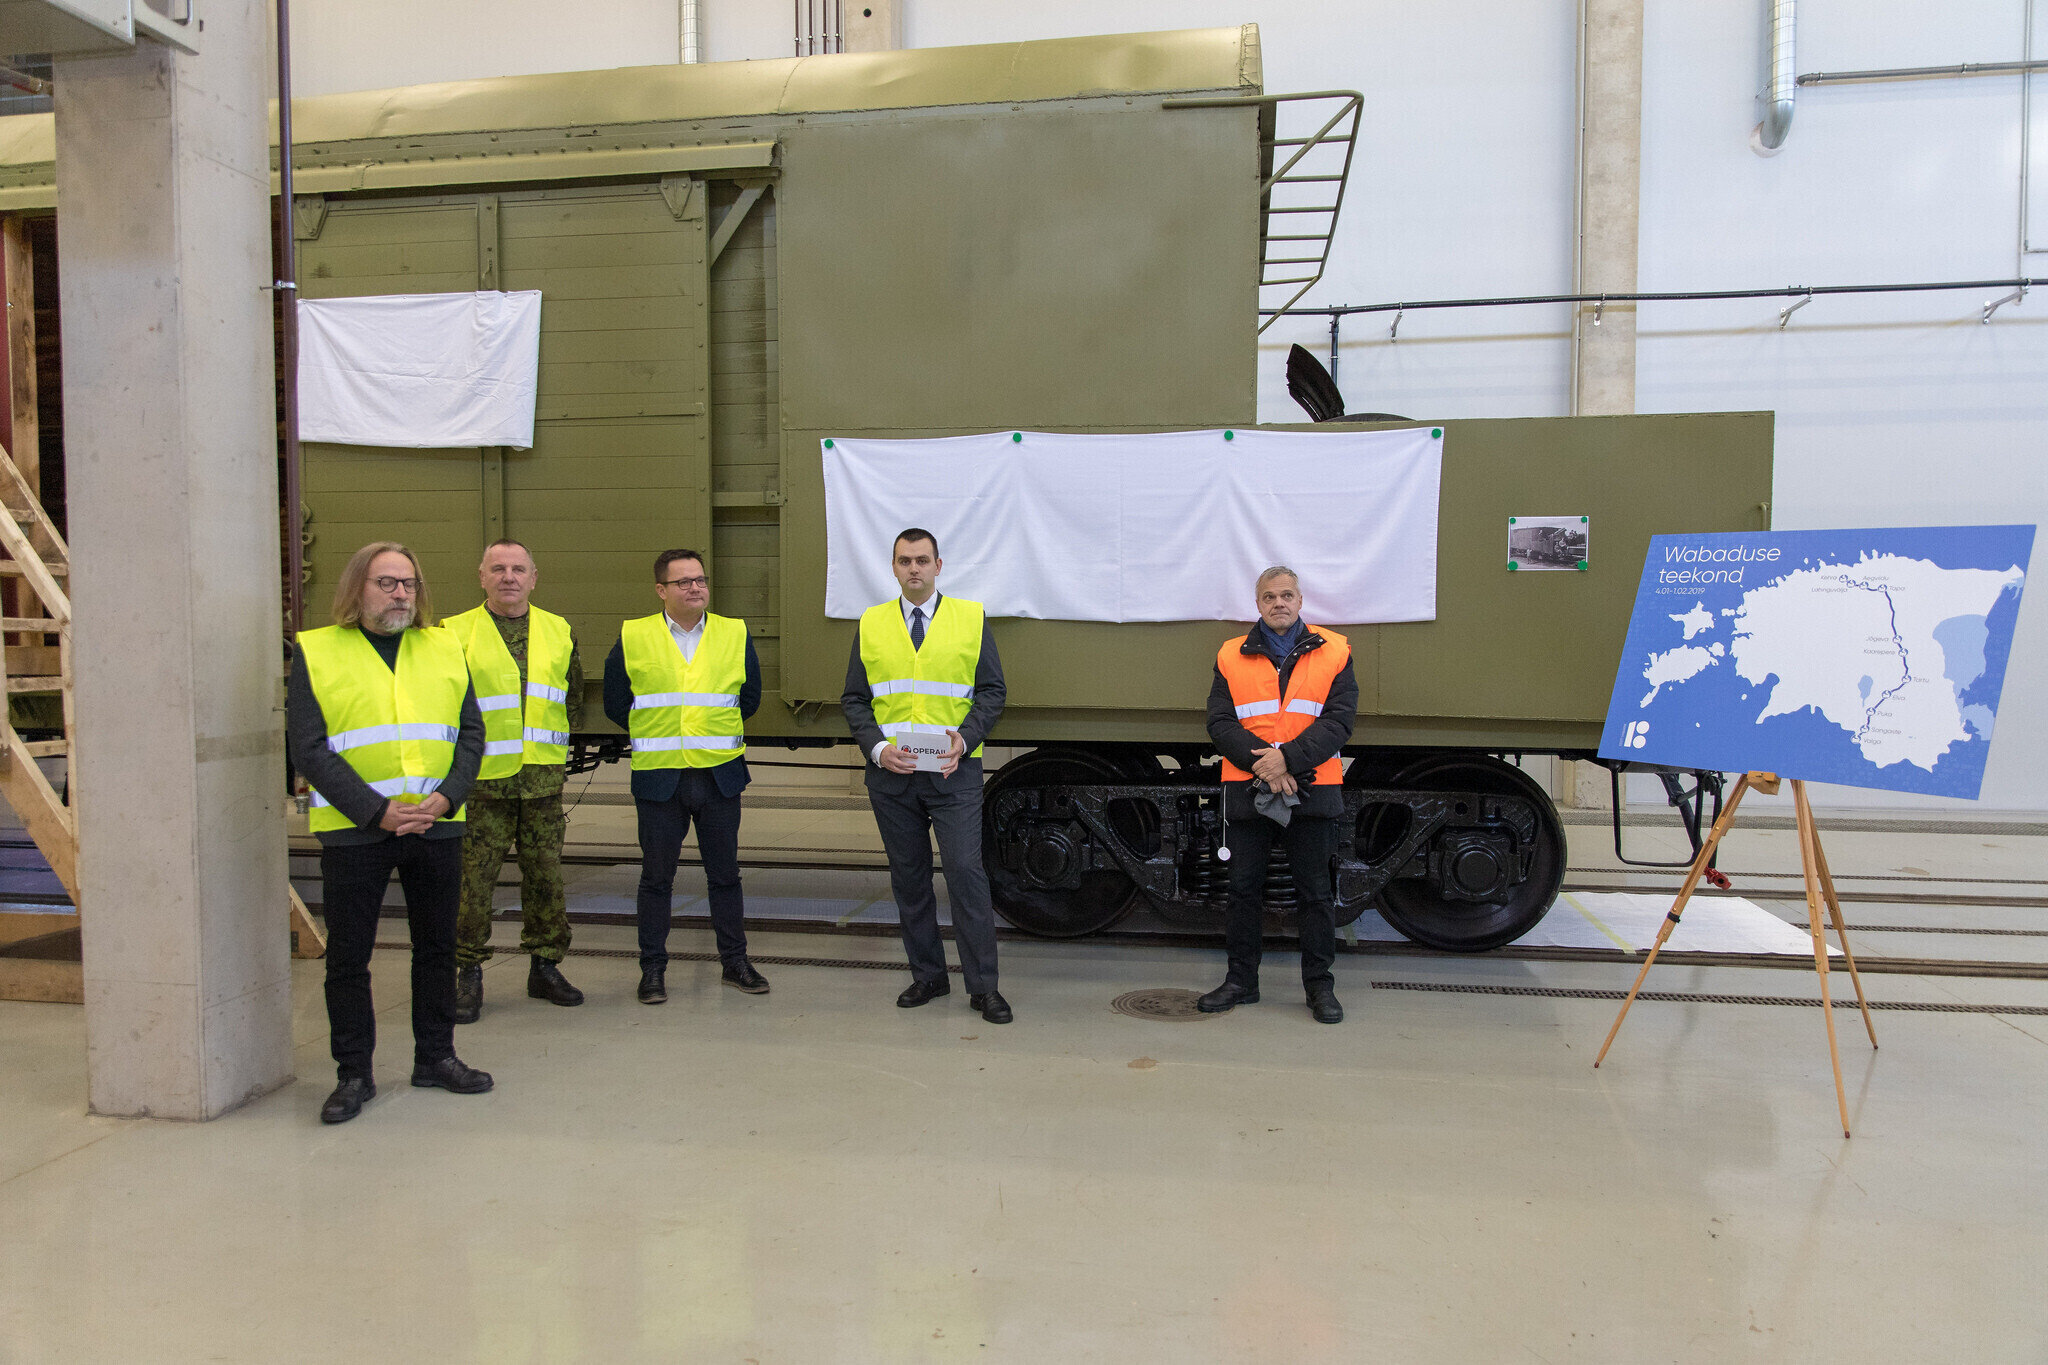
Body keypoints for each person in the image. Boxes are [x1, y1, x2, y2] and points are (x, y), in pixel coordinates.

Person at [286, 541, 494, 1125]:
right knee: (348, 959)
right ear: (357, 588)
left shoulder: (443, 646)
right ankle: (354, 1073)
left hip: (435, 825)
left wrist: (447, 797)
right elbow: (308, 747)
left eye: (409, 583)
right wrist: (375, 810)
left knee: (437, 950)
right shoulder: (319, 650)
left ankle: (436, 1057)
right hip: (357, 832)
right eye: (387, 583)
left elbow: (471, 733)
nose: (401, 593)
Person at [841, 528, 1011, 1024]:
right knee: (909, 879)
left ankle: (984, 988)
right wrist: (877, 749)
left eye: (921, 560)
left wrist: (966, 739)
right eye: (904, 560)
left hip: (953, 773)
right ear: (893, 568)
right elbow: (855, 698)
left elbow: (992, 691)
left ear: (939, 566)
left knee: (966, 874)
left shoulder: (970, 618)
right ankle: (929, 976)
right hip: (893, 777)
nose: (913, 568)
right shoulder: (872, 622)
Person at [603, 549, 766, 1004]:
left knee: (725, 876)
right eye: (683, 582)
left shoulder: (734, 633)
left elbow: (749, 697)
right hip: (660, 779)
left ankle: (735, 963)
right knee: (656, 879)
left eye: (700, 579)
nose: (695, 587)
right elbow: (616, 702)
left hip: (719, 777)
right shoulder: (634, 635)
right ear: (661, 590)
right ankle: (652, 970)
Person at [1198, 565, 1358, 1024]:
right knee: (1242, 891)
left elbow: (1339, 721)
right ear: (1258, 604)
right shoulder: (1230, 655)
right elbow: (1220, 723)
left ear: (1300, 601)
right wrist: (1265, 765)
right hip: (1250, 786)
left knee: (1316, 894)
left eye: (1287, 595)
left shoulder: (1336, 651)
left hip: (1312, 786)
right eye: (1269, 597)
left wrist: (1286, 759)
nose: (1279, 603)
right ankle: (1241, 982)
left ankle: (1320, 987)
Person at [441, 539, 587, 1022]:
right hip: (480, 786)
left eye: (518, 569)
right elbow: (440, 705)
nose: (509, 577)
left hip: (542, 782)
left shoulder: (559, 630)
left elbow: (571, 697)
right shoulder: (452, 633)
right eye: (498, 568)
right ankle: (467, 972)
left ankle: (545, 966)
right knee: (472, 883)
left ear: (533, 577)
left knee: (546, 878)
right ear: (481, 576)